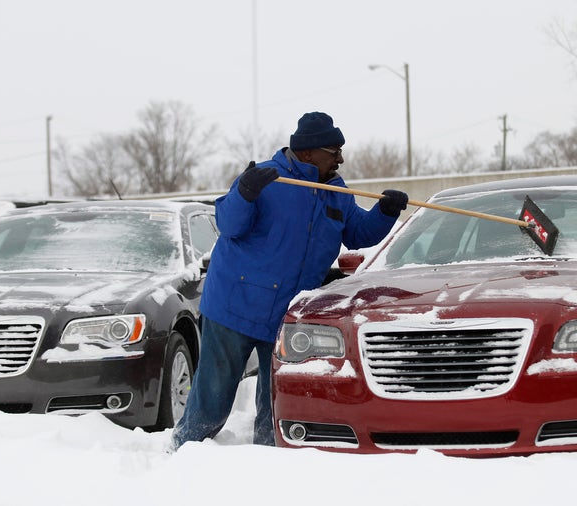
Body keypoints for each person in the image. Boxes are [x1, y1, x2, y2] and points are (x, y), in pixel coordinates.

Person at [170, 111, 409, 448]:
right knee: (213, 395)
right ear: (308, 152)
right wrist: (245, 193)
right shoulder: (266, 180)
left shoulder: (335, 189)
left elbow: (356, 232)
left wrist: (386, 213)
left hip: (287, 313)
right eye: (333, 150)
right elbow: (229, 224)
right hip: (234, 306)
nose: (340, 158)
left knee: (276, 401)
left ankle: (271, 461)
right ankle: (185, 449)